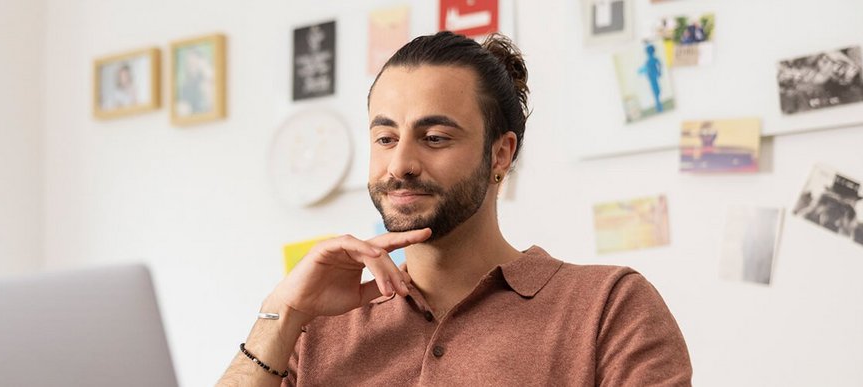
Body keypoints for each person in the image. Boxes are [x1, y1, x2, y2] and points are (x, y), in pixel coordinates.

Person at [217, 31, 691, 386]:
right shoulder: (316, 325)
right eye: (385, 138)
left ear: (499, 155)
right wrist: (281, 314)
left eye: (435, 138)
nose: (400, 164)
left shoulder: (608, 307)